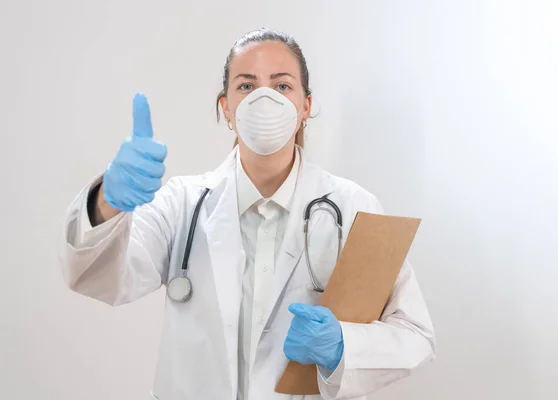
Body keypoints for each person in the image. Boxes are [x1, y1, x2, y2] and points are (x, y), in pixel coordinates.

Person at [58, 28, 435, 400]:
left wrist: (343, 346)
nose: (265, 99)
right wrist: (108, 200)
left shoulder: (355, 209)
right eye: (247, 85)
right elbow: (98, 278)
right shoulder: (182, 204)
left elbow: (414, 334)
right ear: (227, 108)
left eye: (282, 85)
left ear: (305, 106)